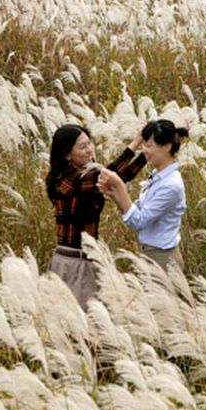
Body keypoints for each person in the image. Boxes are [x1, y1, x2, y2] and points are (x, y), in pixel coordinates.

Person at [44, 123, 146, 306]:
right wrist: (137, 143)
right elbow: (112, 176)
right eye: (82, 146)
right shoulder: (68, 180)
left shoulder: (81, 175)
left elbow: (118, 177)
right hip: (74, 261)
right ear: (67, 154)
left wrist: (146, 154)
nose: (89, 149)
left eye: (89, 143)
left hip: (83, 257)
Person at [98, 118, 189, 269]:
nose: (144, 150)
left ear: (167, 147)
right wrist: (115, 194)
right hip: (152, 253)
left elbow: (139, 221)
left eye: (149, 145)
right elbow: (136, 210)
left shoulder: (171, 185)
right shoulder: (158, 176)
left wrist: (120, 187)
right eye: (144, 145)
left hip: (162, 258)